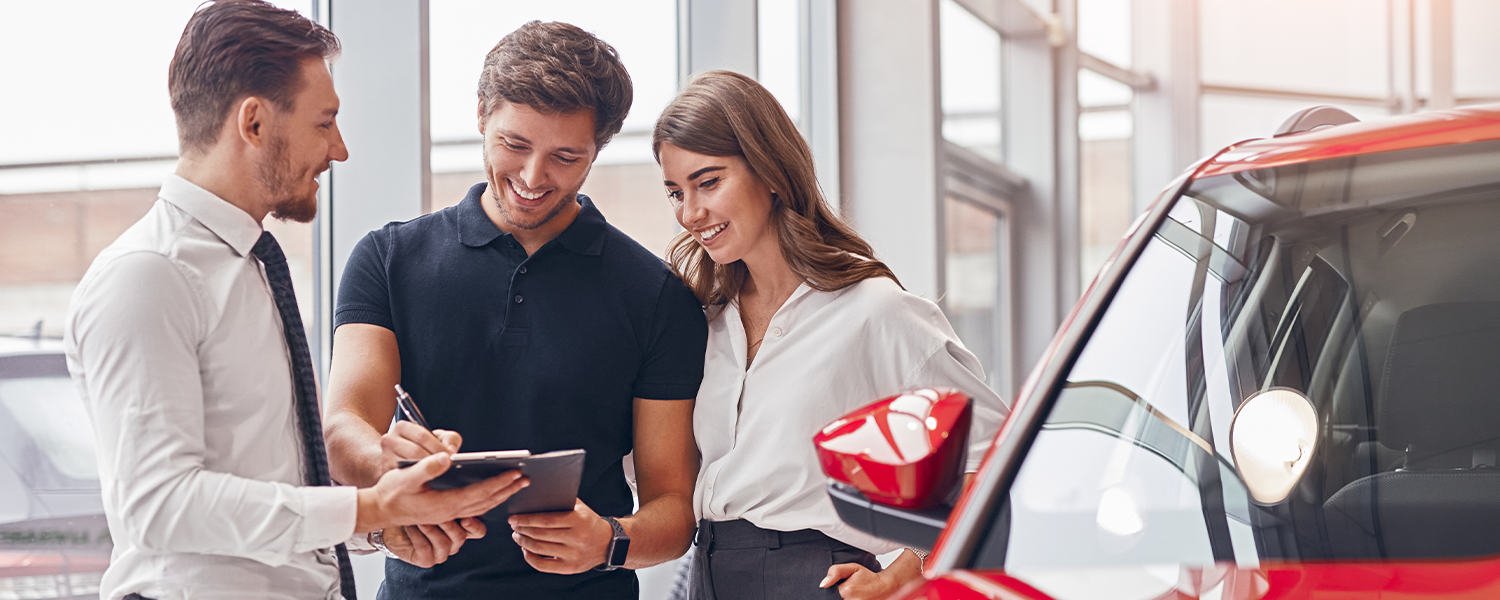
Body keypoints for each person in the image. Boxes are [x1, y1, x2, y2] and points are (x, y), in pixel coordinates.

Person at [63, 2, 529, 600]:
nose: (339, 149)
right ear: (253, 123)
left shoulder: (245, 265)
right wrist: (365, 507)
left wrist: (381, 525)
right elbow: (158, 507)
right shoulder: (149, 276)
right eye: (323, 122)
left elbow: (266, 480)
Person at [322, 20, 708, 599]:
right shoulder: (388, 259)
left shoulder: (657, 296)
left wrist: (609, 541)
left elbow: (674, 508)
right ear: (481, 115)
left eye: (565, 156)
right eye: (515, 145)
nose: (532, 178)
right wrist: (383, 459)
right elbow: (342, 427)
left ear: (598, 149)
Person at [652, 70, 1009, 600]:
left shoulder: (874, 312)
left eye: (709, 182)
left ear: (770, 171)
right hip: (709, 573)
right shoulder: (704, 322)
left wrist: (902, 573)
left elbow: (993, 461)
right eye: (676, 192)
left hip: (816, 577)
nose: (690, 213)